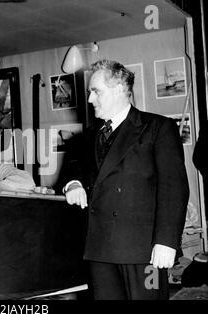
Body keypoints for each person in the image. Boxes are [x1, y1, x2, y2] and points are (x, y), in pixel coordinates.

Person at [63, 59, 189, 300]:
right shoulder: (91, 136)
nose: (90, 99)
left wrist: (166, 241)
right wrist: (74, 183)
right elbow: (75, 167)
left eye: (95, 91)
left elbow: (174, 187)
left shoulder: (157, 127)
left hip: (143, 251)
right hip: (99, 249)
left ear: (120, 88)